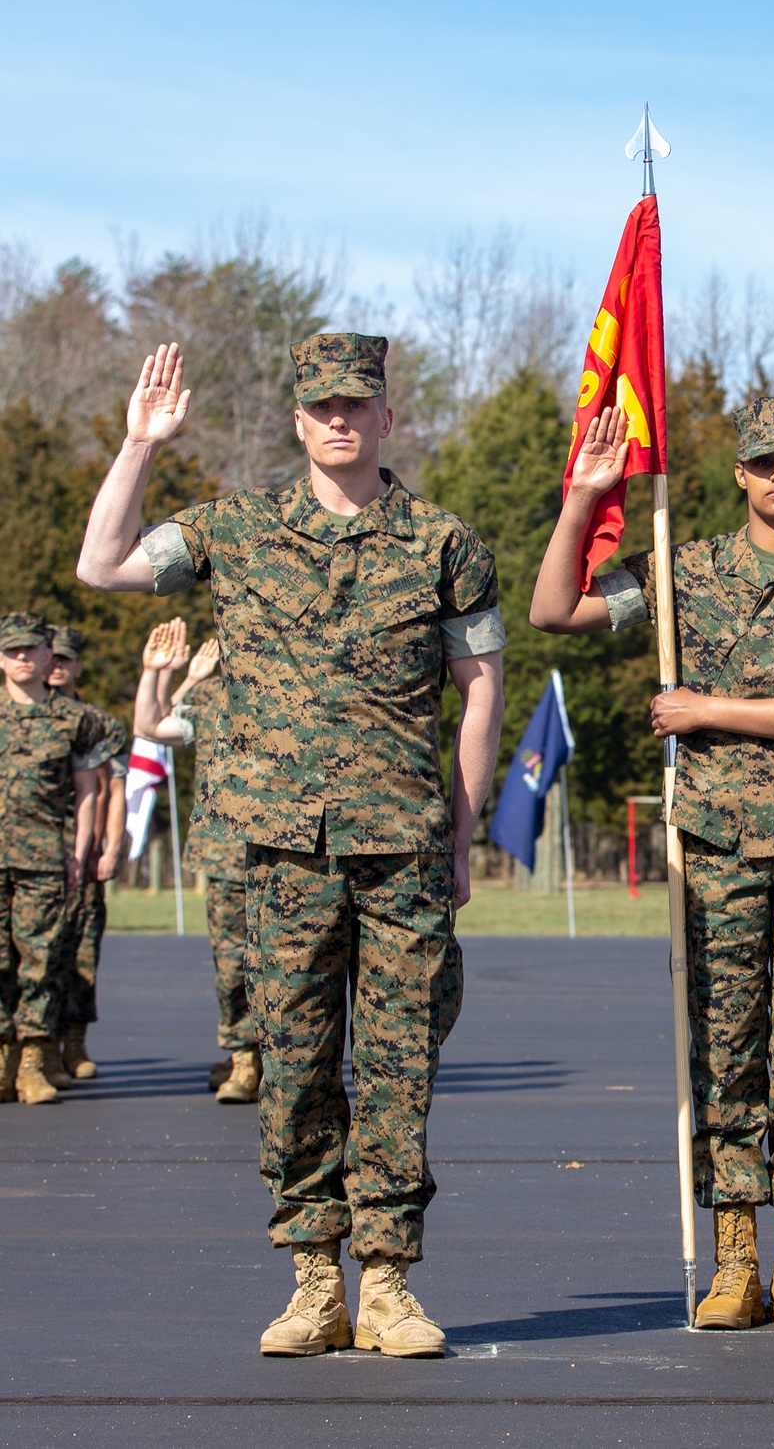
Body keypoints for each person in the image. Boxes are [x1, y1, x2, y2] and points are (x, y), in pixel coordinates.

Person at [78, 335, 505, 1357]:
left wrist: (464, 827)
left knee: (400, 1067)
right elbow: (102, 566)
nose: (339, 420)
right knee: (298, 1070)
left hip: (401, 845)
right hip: (279, 851)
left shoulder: (444, 544)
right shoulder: (237, 528)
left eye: (357, 404)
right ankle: (315, 1282)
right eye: (321, 406)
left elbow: (480, 691)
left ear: (387, 417)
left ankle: (389, 1284)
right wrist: (139, 445)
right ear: (297, 420)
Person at [530, 396, 774, 1331]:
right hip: (718, 853)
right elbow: (554, 609)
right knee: (723, 1051)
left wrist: (703, 710)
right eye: (763, 461)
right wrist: (587, 498)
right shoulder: (684, 573)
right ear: (738, 472)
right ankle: (735, 1258)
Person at [133, 617, 261, 1102]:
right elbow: (150, 725)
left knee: (300, 970)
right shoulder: (210, 699)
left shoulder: (307, 684)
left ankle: (291, 1065)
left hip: (300, 854)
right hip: (229, 854)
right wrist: (157, 672)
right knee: (232, 966)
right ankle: (244, 1059)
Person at [0, 613, 114, 1104]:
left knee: (40, 960)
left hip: (44, 857)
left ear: (50, 656)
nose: (23, 658)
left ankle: (33, 1060)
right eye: (12, 650)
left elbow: (89, 791)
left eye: (32, 649)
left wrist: (80, 851)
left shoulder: (75, 720)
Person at [47, 626, 129, 1083]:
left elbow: (114, 791)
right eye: (51, 657)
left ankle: (73, 1042)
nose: (57, 666)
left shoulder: (98, 724)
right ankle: (32, 1049)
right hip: (32, 851)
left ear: (78, 665)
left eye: (65, 659)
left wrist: (112, 847)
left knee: (81, 952)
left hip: (84, 853)